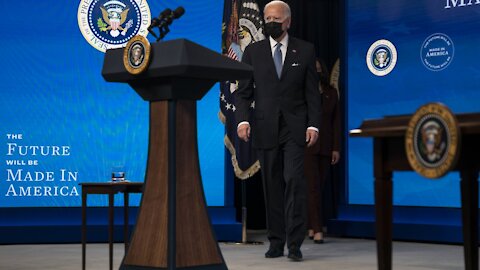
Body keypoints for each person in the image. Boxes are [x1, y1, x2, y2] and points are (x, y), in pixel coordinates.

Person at [235, 0, 321, 261]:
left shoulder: (305, 51)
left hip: (295, 128)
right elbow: (243, 92)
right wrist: (242, 120)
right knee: (271, 185)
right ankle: (276, 241)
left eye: (276, 18)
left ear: (288, 22)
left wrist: (313, 124)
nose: (270, 22)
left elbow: (313, 95)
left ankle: (294, 244)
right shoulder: (253, 52)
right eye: (267, 17)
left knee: (294, 181)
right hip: (264, 126)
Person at [305, 59, 341, 244]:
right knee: (312, 188)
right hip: (308, 146)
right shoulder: (304, 93)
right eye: (314, 70)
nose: (317, 72)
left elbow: (336, 123)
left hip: (326, 146)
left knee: (319, 188)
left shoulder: (331, 93)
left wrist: (336, 148)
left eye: (319, 69)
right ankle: (317, 230)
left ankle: (312, 226)